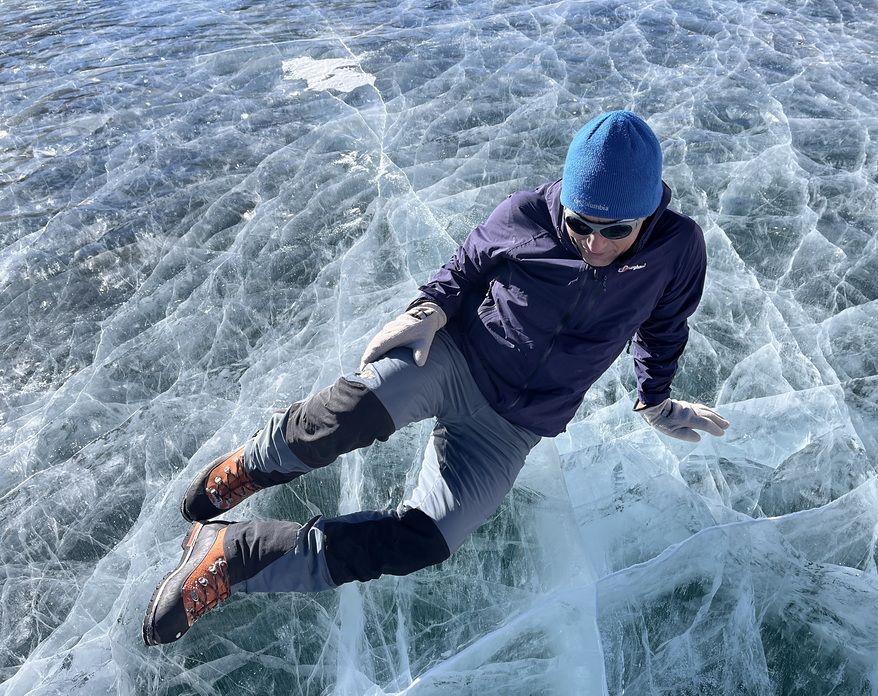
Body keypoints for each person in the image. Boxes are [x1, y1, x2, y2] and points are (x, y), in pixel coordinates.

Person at [142, 110, 729, 646]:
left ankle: (235, 554)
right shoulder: (525, 214)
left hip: (513, 426)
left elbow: (664, 325)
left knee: (425, 541)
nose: (595, 242)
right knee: (346, 415)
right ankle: (250, 465)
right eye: (581, 224)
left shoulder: (677, 249)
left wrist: (655, 400)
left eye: (616, 230)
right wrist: (428, 311)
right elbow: (468, 265)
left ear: (648, 212)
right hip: (456, 360)